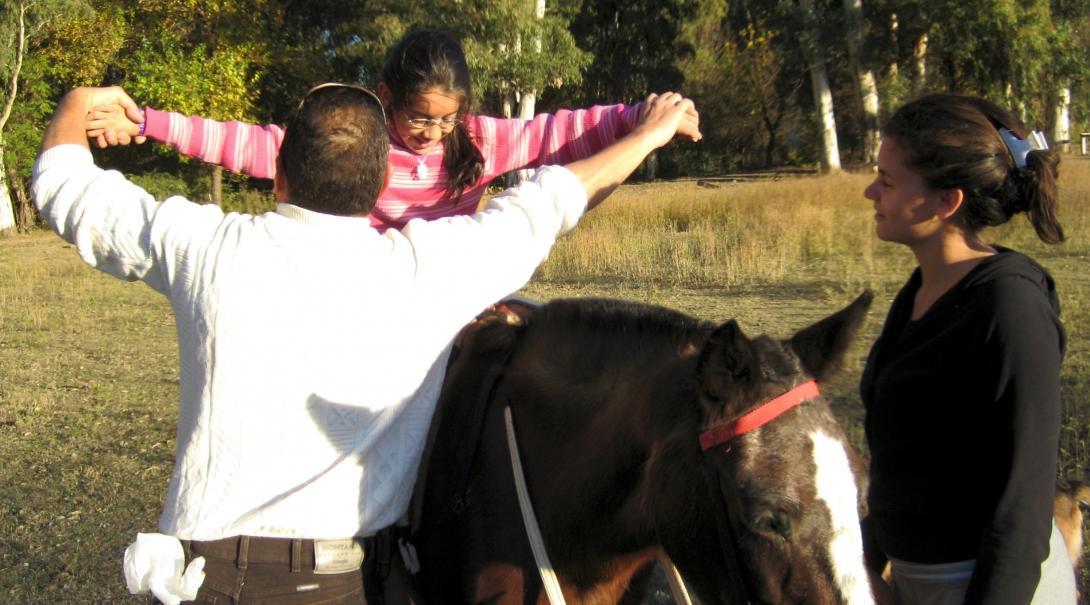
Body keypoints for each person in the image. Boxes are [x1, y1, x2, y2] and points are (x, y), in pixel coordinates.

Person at [32, 82, 698, 604]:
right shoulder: (428, 269)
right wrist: (651, 132)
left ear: (279, 177)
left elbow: (62, 186)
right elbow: (556, 197)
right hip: (349, 585)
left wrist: (76, 105)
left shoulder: (206, 248)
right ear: (381, 186)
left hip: (209, 579)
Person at [85, 28, 701, 231]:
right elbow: (252, 144)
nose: (433, 132)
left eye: (445, 118)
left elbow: (561, 130)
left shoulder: (481, 143)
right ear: (385, 99)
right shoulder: (356, 144)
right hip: (371, 293)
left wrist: (643, 119)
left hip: (452, 298)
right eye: (419, 117)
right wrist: (151, 122)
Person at [859, 93, 1076, 605]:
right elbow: (906, 466)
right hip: (919, 582)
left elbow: (1023, 504)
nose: (871, 191)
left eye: (887, 181)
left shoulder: (1009, 306)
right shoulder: (921, 291)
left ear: (945, 201)